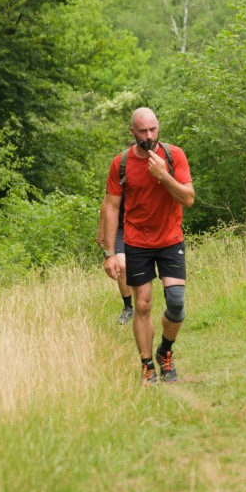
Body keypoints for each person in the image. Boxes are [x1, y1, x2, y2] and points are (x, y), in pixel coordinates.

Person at [103, 108, 194, 385]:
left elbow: (188, 199)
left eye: (153, 129)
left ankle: (165, 351)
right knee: (142, 305)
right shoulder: (121, 163)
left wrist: (163, 175)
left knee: (176, 303)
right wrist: (110, 253)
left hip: (170, 240)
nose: (149, 136)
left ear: (158, 127)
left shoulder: (174, 156)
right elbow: (111, 207)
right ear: (132, 132)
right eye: (142, 131)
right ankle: (147, 365)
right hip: (137, 242)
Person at [97, 193, 134, 324]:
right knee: (121, 266)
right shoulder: (118, 181)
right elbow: (106, 203)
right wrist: (101, 229)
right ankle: (128, 307)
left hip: (140, 228)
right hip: (119, 229)